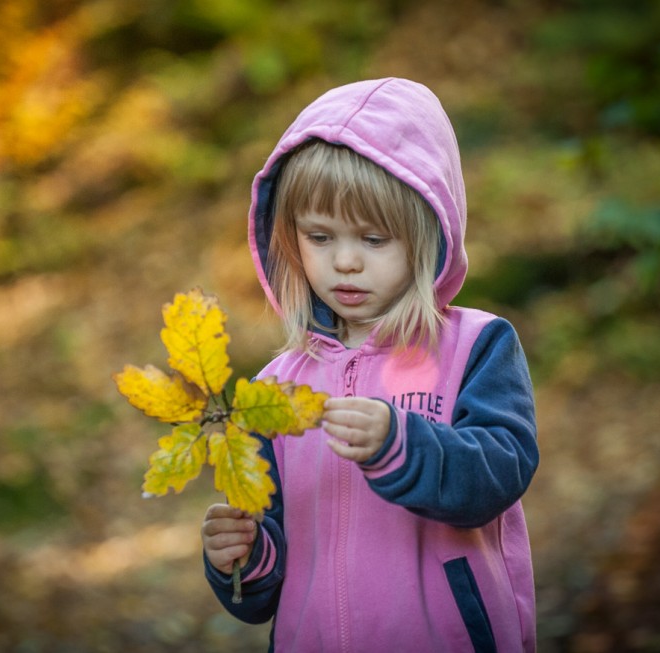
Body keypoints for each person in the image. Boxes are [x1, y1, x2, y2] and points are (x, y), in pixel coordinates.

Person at [200, 78, 539, 652]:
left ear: (429, 234)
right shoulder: (270, 392)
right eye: (320, 236)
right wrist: (243, 557)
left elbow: (501, 472)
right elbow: (260, 595)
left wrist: (402, 446)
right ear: (289, 238)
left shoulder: (475, 346)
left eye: (375, 238)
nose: (346, 261)